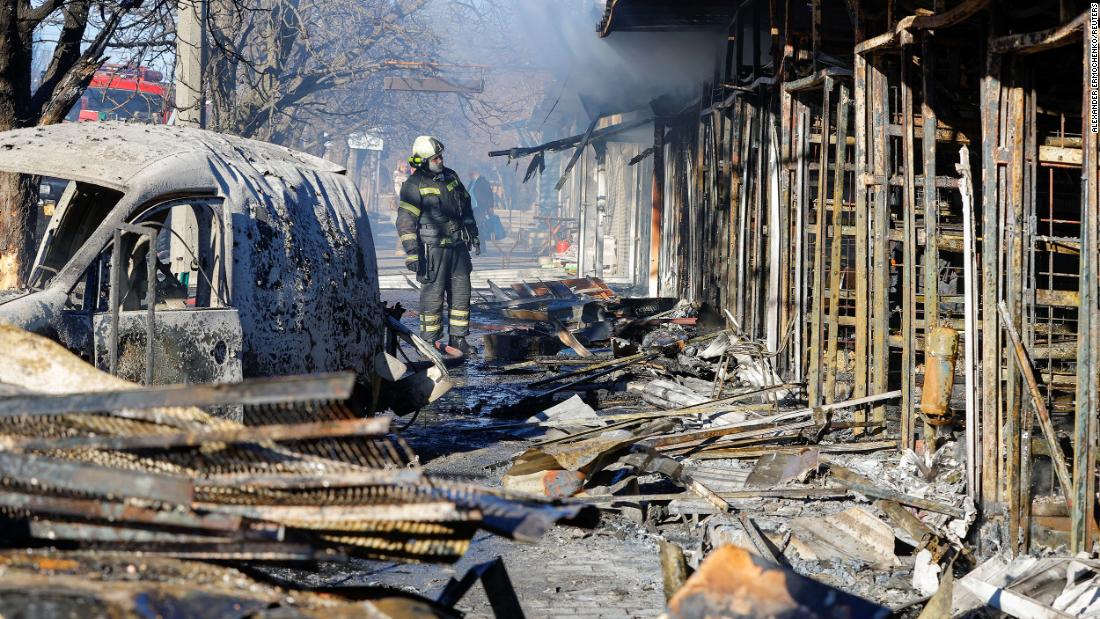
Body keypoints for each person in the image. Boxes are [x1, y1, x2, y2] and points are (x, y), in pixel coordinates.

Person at [396, 136, 480, 354]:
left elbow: (466, 207)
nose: (440, 159)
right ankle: (430, 342)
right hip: (432, 250)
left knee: (461, 294)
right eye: (436, 157)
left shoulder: (451, 177)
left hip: (458, 248)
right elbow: (405, 221)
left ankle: (458, 339)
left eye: (441, 155)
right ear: (424, 160)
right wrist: (413, 253)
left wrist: (473, 234)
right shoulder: (413, 185)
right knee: (433, 297)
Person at [467, 168, 494, 234]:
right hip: (472, 208)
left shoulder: (483, 182)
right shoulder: (471, 183)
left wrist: (490, 206)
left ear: (476, 173)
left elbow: (489, 194)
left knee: (479, 226)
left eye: (471, 174)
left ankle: (482, 243)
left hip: (480, 207)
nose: (469, 176)